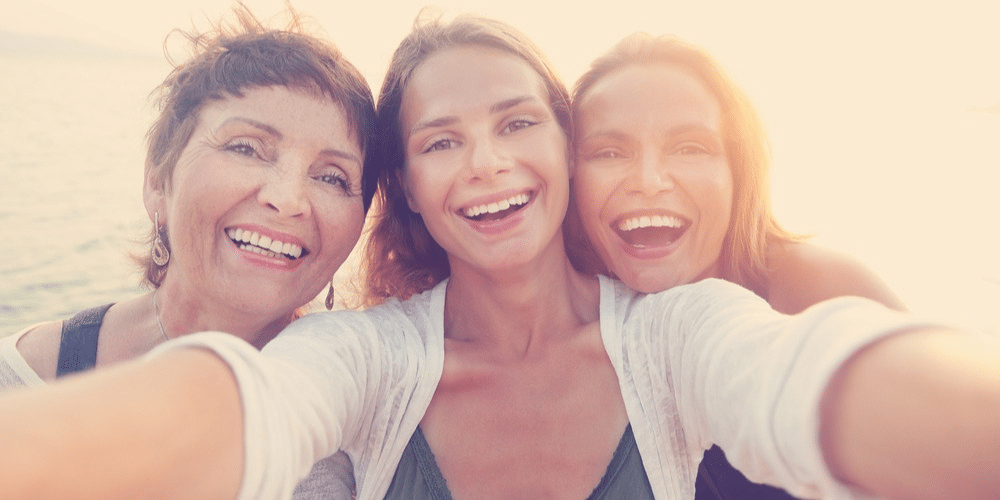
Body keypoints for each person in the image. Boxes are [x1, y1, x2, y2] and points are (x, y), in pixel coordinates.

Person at [2, 14, 999, 500]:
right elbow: (240, 407)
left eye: (517, 121)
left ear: (564, 152)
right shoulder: (367, 357)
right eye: (440, 140)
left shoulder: (677, 332)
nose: (485, 163)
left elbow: (802, 378)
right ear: (409, 192)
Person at [0, 4, 375, 497]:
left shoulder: (377, 402)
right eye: (246, 148)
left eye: (332, 177)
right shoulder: (28, 378)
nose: (287, 199)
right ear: (159, 179)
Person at [567, 33, 908, 499]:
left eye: (689, 147)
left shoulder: (816, 288)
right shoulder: (567, 324)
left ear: (737, 170)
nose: (648, 181)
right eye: (609, 152)